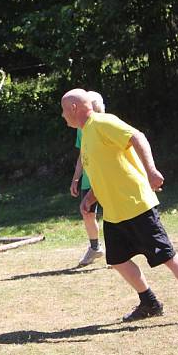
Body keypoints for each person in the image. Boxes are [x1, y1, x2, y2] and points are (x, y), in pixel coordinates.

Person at [60, 88, 178, 325]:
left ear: (74, 107)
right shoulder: (87, 134)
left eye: (64, 110)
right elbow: (106, 171)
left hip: (137, 205)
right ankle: (149, 303)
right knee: (117, 260)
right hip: (114, 212)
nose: (63, 116)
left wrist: (151, 170)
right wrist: (90, 198)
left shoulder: (102, 122)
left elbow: (137, 136)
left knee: (167, 256)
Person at [70, 92, 107, 266]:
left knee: (113, 214)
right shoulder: (80, 128)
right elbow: (82, 154)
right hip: (88, 179)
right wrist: (76, 179)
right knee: (87, 213)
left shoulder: (107, 125)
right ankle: (95, 248)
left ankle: (120, 253)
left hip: (106, 177)